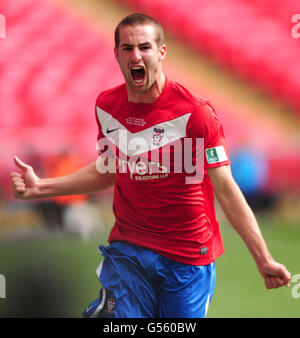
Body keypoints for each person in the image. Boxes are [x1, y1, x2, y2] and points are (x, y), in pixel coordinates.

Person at [10, 13, 291, 318]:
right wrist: (43, 186)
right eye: (127, 48)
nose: (136, 55)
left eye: (144, 47)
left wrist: (263, 258)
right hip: (128, 252)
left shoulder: (197, 114)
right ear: (116, 54)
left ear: (161, 52)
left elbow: (225, 187)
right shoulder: (107, 106)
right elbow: (109, 169)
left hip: (186, 260)